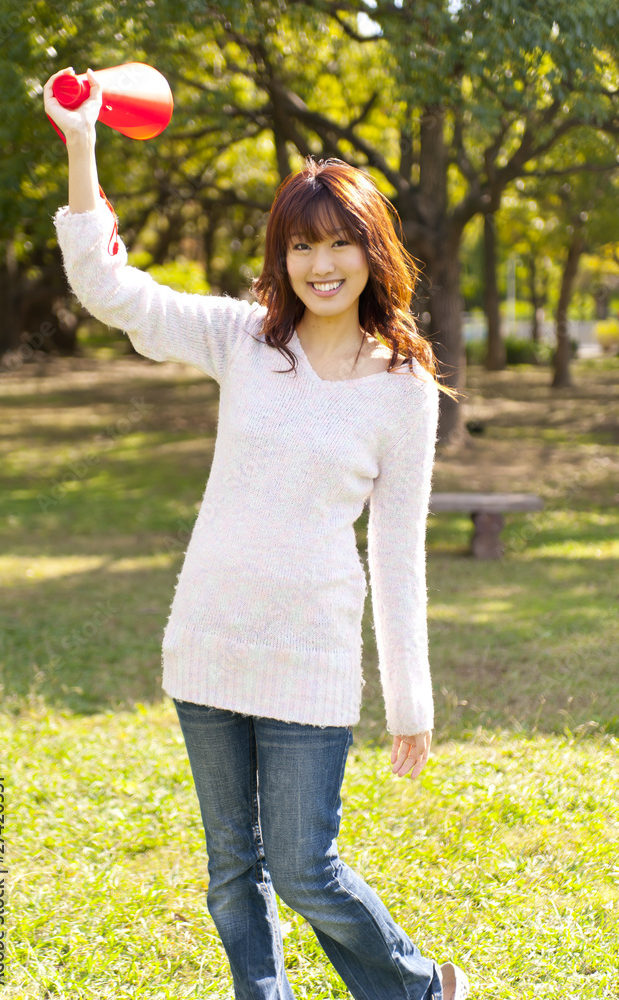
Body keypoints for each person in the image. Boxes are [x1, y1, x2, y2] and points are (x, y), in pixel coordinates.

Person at [44, 66, 470, 1000]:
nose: (321, 266)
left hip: (309, 657)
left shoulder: (403, 390)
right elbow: (107, 288)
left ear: (372, 252)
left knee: (306, 867)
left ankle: (416, 988)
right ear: (281, 257)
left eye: (340, 245)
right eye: (302, 247)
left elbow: (397, 554)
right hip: (207, 640)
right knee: (233, 875)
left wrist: (411, 701)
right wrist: (82, 144)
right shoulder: (243, 341)